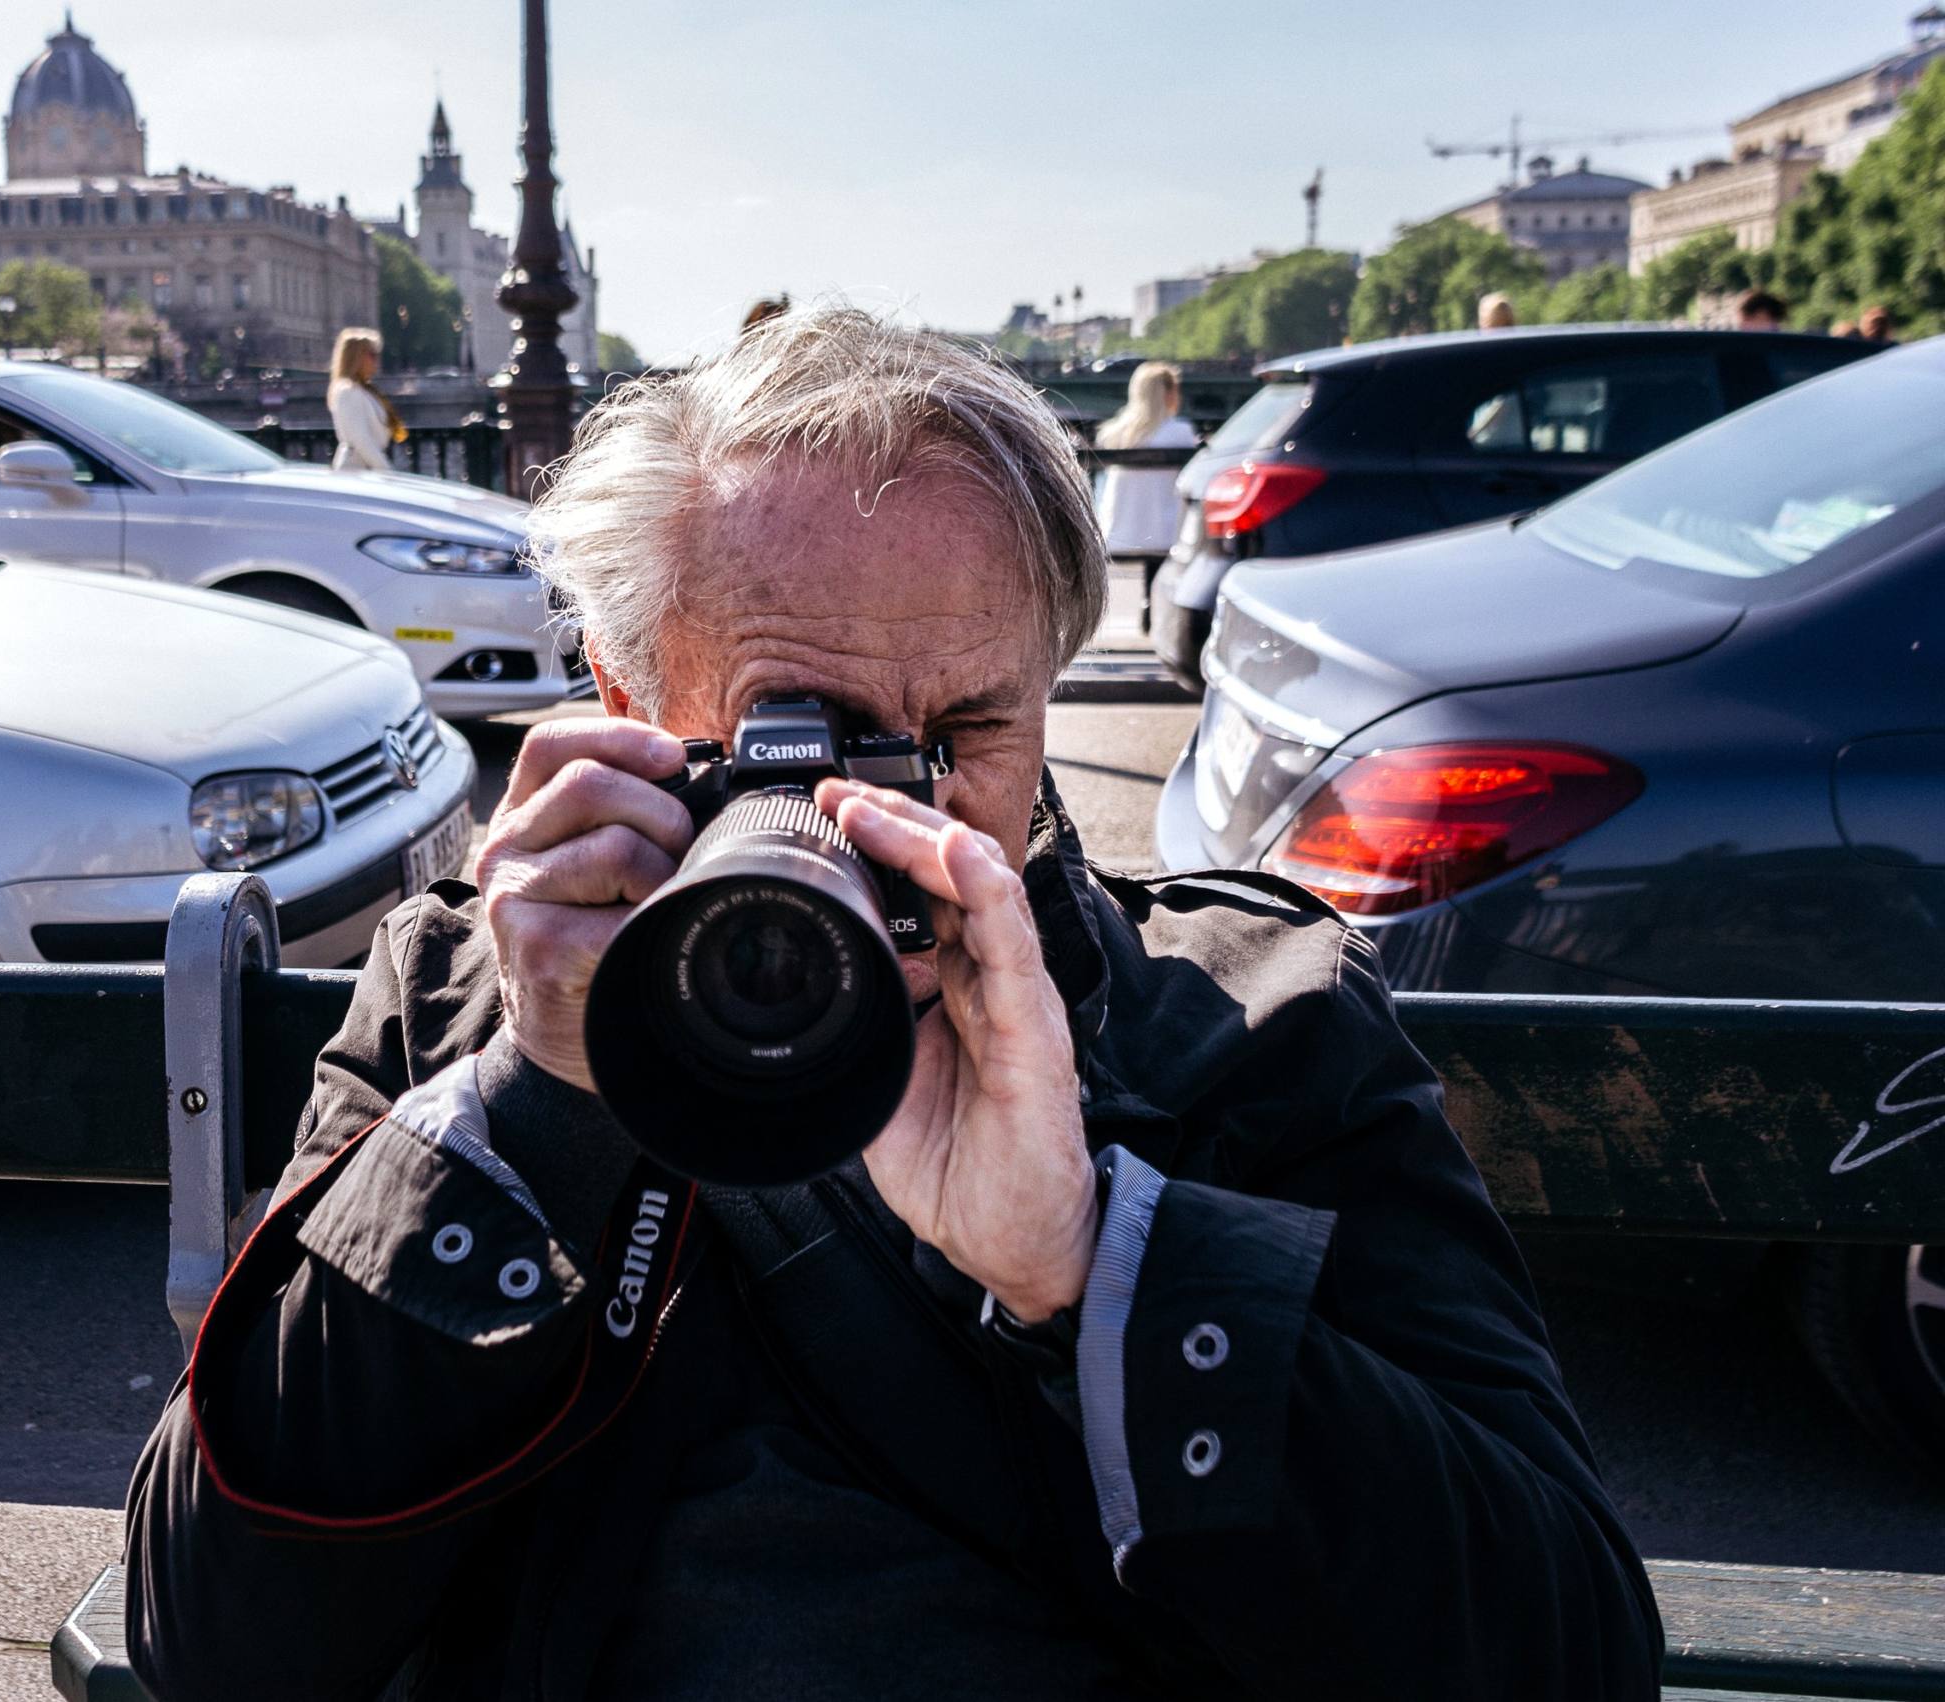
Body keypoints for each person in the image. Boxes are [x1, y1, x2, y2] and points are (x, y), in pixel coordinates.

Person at [126, 307, 1660, 1702]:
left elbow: (1567, 1654)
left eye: (972, 728)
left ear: (1049, 688)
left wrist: (1089, 1261)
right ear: (625, 694)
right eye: (809, 731)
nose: (900, 803)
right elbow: (214, 1639)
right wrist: (544, 1102)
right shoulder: (474, 998)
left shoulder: (1259, 1032)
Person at [1089, 362, 1199, 627]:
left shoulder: (1116, 433)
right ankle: (1153, 609)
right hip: (1167, 531)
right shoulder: (1180, 432)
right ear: (1168, 394)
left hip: (1121, 531)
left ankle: (1146, 605)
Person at [324, 327, 403, 472]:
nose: (377, 360)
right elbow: (361, 439)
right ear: (357, 358)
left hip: (363, 467)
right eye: (372, 355)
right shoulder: (349, 392)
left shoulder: (363, 390)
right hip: (357, 470)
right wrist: (385, 469)